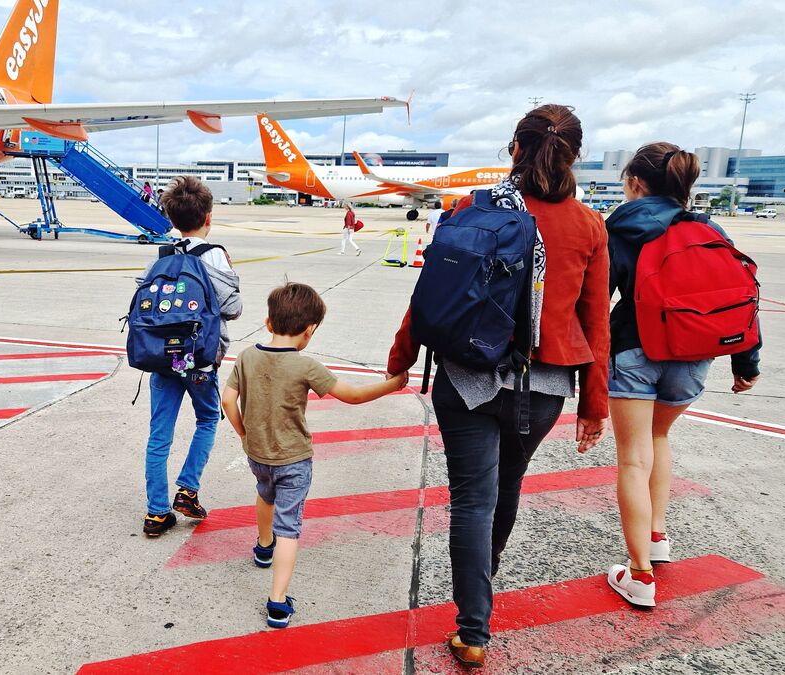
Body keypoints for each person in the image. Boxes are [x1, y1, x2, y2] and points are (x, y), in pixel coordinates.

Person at [386, 104, 611, 668]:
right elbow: (596, 323)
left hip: (467, 375)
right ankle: (478, 600)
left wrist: (403, 354)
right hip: (544, 384)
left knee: (471, 499)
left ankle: (473, 628)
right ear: (575, 156)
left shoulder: (473, 208)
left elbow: (431, 292)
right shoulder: (588, 225)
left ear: (514, 148)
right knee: (506, 487)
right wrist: (595, 403)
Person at [604, 143, 761, 607]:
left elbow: (596, 299)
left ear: (634, 182)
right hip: (694, 355)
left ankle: (639, 576)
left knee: (633, 458)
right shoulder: (710, 229)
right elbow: (737, 294)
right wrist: (746, 363)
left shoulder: (622, 227)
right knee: (659, 440)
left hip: (635, 350)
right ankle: (657, 538)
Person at [222, 283, 407, 628]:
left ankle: (263, 547)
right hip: (293, 460)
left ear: (268, 321)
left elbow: (228, 400)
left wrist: (245, 435)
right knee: (289, 528)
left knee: (265, 494)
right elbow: (351, 395)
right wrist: (392, 384)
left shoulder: (246, 356)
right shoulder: (306, 366)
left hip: (258, 454)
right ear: (309, 332)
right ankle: (277, 603)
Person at [136, 176, 243, 537]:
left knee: (158, 435)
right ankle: (187, 489)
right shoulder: (214, 254)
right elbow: (233, 308)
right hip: (199, 359)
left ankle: (156, 512)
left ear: (170, 217)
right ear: (208, 217)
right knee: (208, 418)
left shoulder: (163, 254)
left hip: (160, 358)